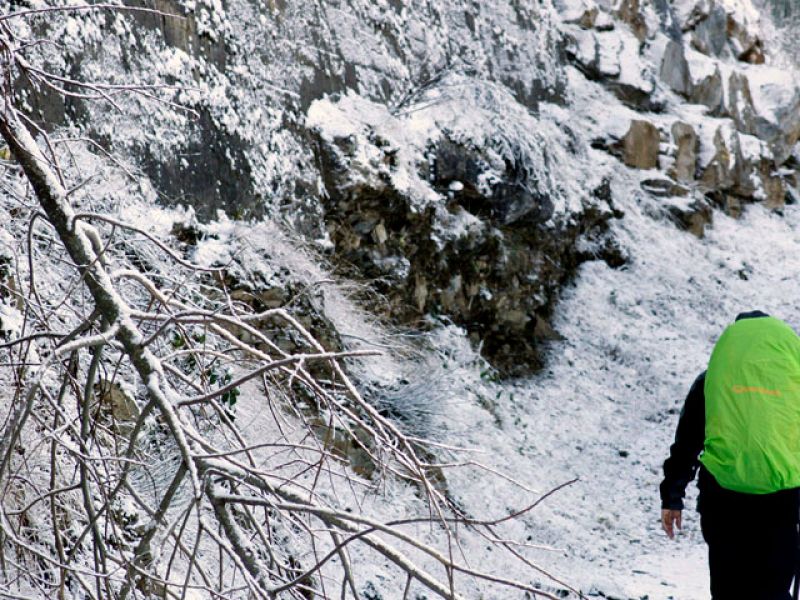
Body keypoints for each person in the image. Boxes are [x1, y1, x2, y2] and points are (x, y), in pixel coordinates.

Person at [660, 310, 800, 600]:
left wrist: (672, 496)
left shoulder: (713, 381)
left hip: (722, 503)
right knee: (773, 591)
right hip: (782, 505)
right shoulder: (792, 384)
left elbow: (686, 443)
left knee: (728, 590)